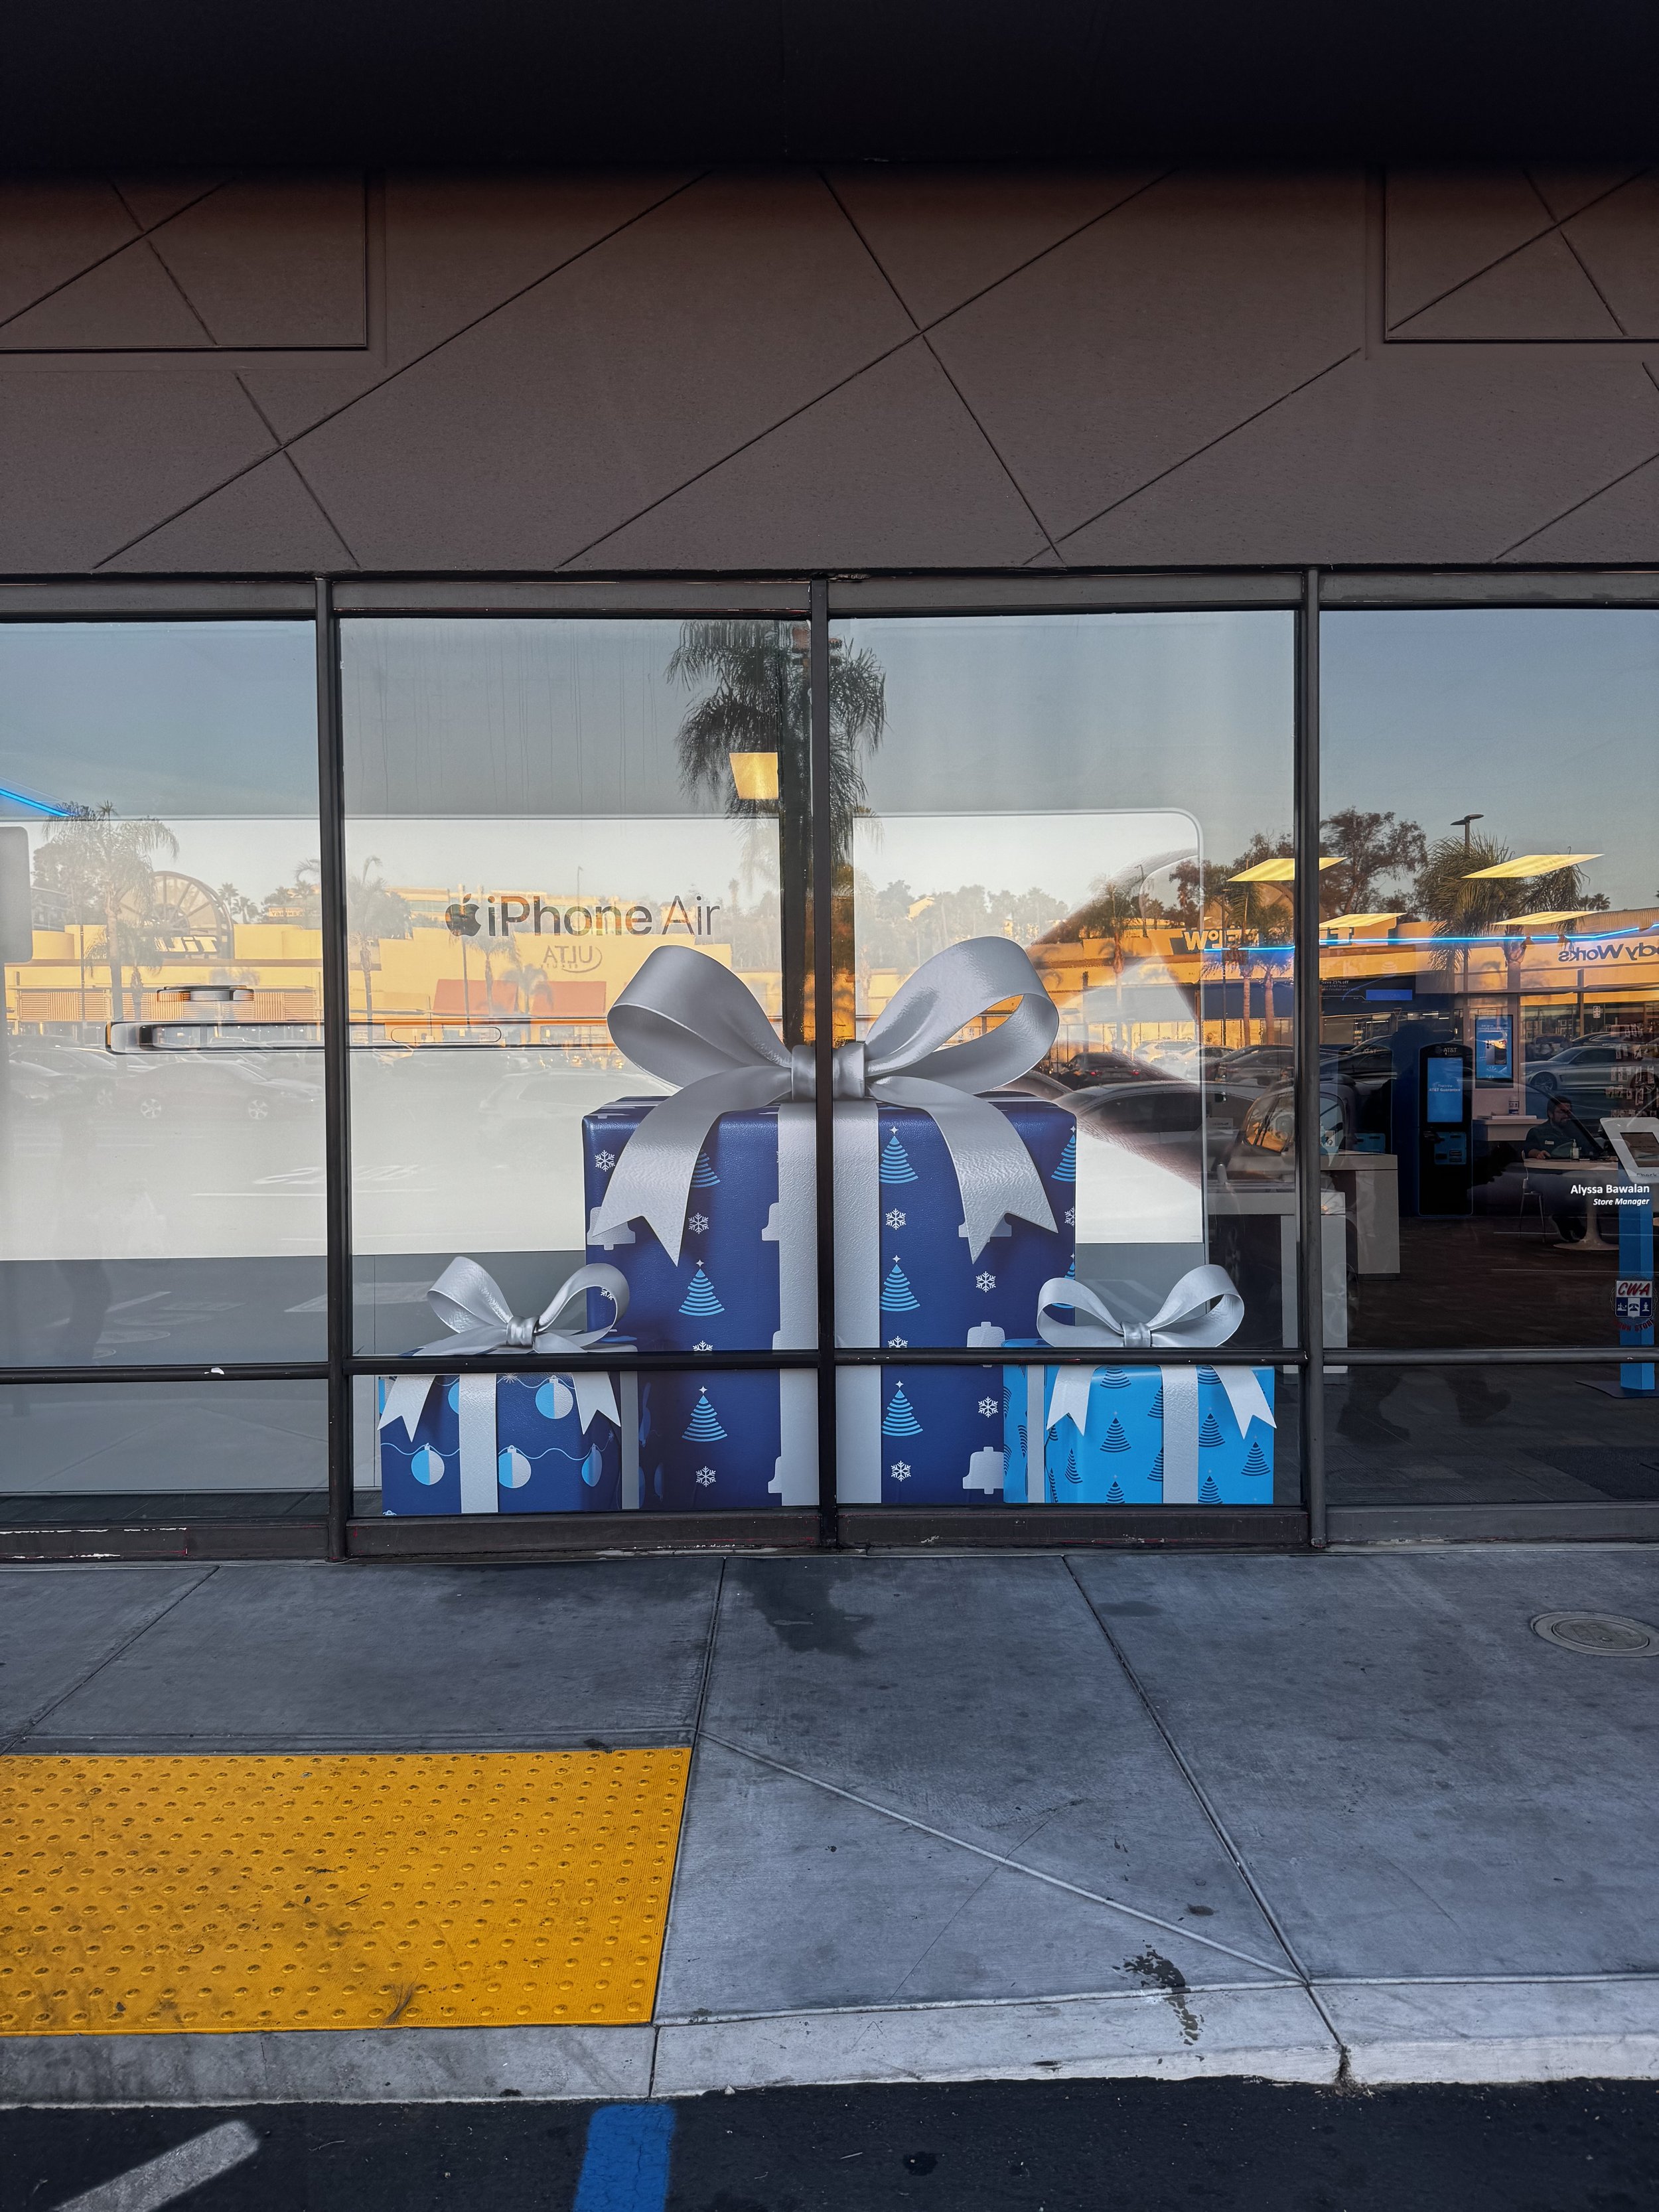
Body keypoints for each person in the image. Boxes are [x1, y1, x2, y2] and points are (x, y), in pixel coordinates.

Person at [1522, 1095, 1604, 1242]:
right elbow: (1528, 1150)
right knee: (1557, 1184)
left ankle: (1575, 1222)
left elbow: (1590, 1149)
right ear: (1550, 1113)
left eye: (1569, 1112)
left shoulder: (1577, 1132)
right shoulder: (1538, 1131)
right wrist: (1538, 1154)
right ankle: (1565, 1219)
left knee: (1597, 1185)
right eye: (1561, 1112)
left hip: (1572, 1173)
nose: (1566, 1115)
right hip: (1545, 1175)